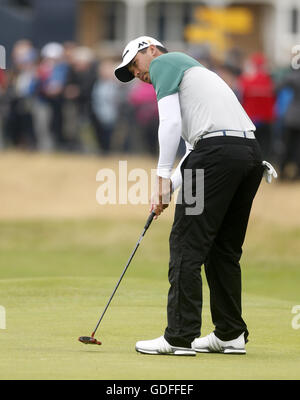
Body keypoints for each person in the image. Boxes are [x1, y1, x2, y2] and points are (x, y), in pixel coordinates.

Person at [114, 36, 275, 356]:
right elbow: (192, 153)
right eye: (130, 71)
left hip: (217, 156)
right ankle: (229, 334)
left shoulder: (164, 63)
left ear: (151, 50)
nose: (136, 73)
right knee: (222, 249)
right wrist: (167, 191)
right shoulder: (196, 79)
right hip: (247, 155)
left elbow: (170, 123)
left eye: (135, 63)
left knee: (187, 243)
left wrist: (160, 177)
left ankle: (179, 336)